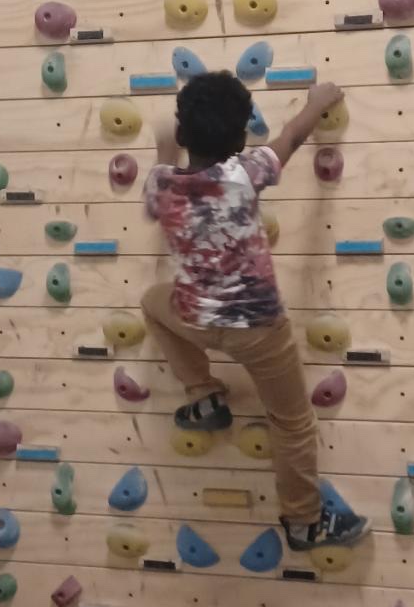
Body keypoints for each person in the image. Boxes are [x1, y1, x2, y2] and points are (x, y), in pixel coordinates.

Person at [142, 71, 371, 552]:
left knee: (151, 302)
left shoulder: (162, 185)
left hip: (197, 319)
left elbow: (162, 170)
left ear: (183, 133)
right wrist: (317, 102)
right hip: (259, 329)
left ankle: (203, 392)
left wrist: (165, 146)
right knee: (292, 422)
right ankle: (304, 522)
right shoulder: (246, 173)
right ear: (241, 141)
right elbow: (292, 137)